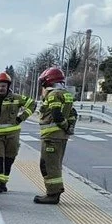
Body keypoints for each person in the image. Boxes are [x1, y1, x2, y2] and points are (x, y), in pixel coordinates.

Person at [34, 66, 77, 204]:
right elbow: (73, 114)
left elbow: (56, 114)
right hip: (60, 137)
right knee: (54, 164)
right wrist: (69, 127)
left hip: (52, 137)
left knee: (48, 165)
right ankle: (54, 192)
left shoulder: (53, 95)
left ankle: (53, 194)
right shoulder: (66, 94)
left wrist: (64, 126)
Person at [0, 71, 34, 192]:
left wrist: (21, 117)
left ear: (8, 86)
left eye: (3, 86)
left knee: (9, 159)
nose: (0, 88)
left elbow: (32, 104)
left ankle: (3, 183)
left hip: (13, 135)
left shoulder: (16, 98)